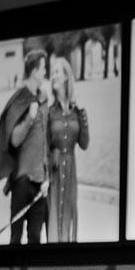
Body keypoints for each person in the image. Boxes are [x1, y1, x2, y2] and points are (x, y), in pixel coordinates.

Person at [0, 50, 51, 245]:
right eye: (43, 68)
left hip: (40, 183)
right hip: (22, 181)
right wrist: (29, 119)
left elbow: (45, 140)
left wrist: (47, 177)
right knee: (16, 238)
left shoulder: (44, 98)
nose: (45, 72)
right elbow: (14, 141)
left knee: (35, 238)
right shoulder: (20, 99)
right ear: (35, 71)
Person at [45, 56, 90, 244]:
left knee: (69, 218)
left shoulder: (76, 111)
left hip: (71, 171)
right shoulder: (49, 112)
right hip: (54, 172)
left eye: (56, 72)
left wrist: (83, 119)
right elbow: (44, 146)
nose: (53, 76)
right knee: (54, 220)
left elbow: (84, 143)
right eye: (52, 73)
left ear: (66, 77)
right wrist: (50, 158)